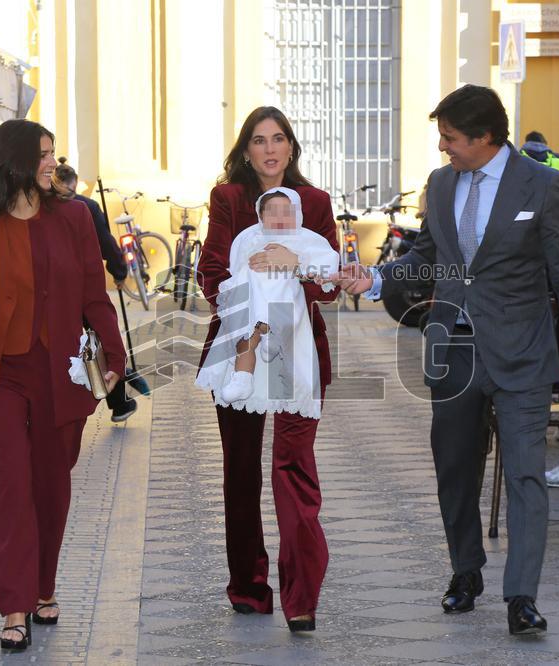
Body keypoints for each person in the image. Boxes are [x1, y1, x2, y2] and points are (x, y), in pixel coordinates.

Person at [330, 84, 559, 636]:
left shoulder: (545, 186)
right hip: (454, 349)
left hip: (522, 355)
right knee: (455, 470)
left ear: (484, 137)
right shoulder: (442, 182)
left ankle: (521, 596)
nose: (443, 148)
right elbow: (428, 254)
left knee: (525, 475)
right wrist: (377, 278)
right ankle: (465, 571)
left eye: (450, 138)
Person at [0, 119, 125, 651]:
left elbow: (93, 295)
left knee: (51, 485)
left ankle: (44, 585)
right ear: (14, 159)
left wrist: (115, 353)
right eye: (43, 154)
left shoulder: (74, 219)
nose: (52, 163)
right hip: (4, 378)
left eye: (53, 153)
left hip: (59, 376)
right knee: (9, 487)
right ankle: (15, 606)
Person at [196, 106, 340, 632]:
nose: (270, 149)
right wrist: (246, 305)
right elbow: (212, 269)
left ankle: (301, 596)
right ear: (246, 149)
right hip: (243, 343)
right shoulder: (229, 199)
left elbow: (326, 280)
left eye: (279, 138)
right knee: (241, 469)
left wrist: (291, 268)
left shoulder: (316, 202)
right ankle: (248, 585)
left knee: (294, 467)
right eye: (259, 140)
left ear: (292, 147)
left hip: (299, 347)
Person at [197, 187, 338, 414]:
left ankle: (274, 339)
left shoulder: (307, 240)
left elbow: (328, 270)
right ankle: (243, 378)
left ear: (298, 215)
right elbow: (235, 266)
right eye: (272, 212)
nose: (280, 218)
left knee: (275, 321)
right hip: (253, 302)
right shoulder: (249, 238)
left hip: (286, 304)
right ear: (260, 216)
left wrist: (297, 262)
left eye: (287, 212)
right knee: (246, 337)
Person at [51, 157, 143, 423]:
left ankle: (114, 398)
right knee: (98, 341)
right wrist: (119, 271)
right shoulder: (87, 206)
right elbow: (106, 242)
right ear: (73, 183)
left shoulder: (47, 206)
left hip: (59, 290)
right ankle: (118, 400)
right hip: (84, 288)